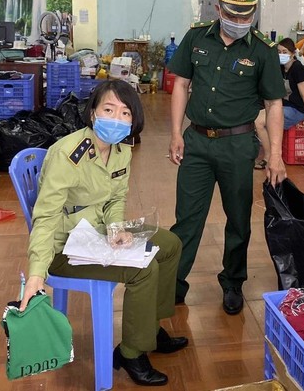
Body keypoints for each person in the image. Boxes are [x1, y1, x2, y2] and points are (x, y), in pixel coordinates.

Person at [20, 80, 187, 386]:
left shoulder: (122, 149)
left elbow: (116, 198)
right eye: (108, 109)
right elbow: (45, 217)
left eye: (125, 113)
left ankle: (150, 328)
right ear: (93, 113)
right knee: (143, 269)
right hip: (66, 247)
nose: (116, 118)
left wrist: (116, 228)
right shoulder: (68, 154)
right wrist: (36, 275)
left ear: (134, 119)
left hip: (98, 233)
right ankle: (131, 352)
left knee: (171, 244)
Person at [167, 0, 287, 315]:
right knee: (187, 219)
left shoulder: (262, 50)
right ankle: (174, 283)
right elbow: (181, 84)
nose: (239, 21)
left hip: (237, 145)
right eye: (232, 14)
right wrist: (176, 132)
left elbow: (274, 104)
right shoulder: (196, 37)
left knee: (238, 219)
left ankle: (233, 282)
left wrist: (275, 155)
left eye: (246, 14)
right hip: (197, 142)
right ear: (218, 8)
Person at [253, 37, 304, 169]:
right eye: (278, 51)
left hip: (296, 110)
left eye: (284, 51)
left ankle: (269, 156)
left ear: (293, 53)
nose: (281, 54)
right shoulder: (281, 68)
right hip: (283, 106)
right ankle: (270, 154)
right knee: (257, 118)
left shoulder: (297, 68)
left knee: (259, 122)